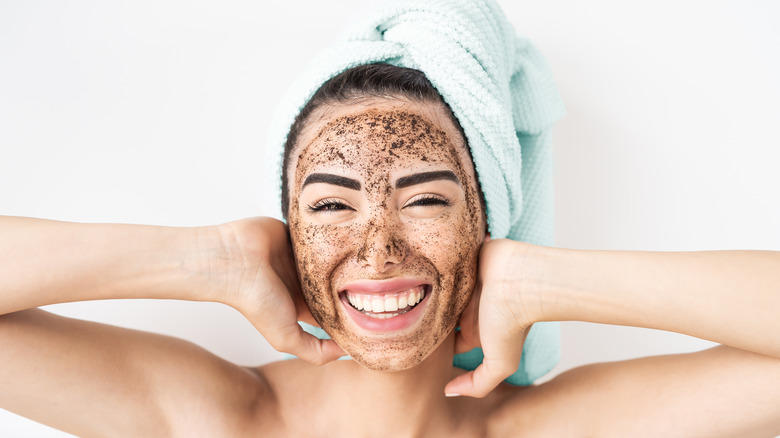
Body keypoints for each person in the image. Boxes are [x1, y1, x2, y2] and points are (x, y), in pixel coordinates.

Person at [2, 61, 780, 437]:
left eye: (429, 199)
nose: (378, 251)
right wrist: (208, 261)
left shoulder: (553, 431)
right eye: (332, 204)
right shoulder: (215, 419)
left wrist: (538, 276)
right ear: (287, 237)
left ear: (487, 220)